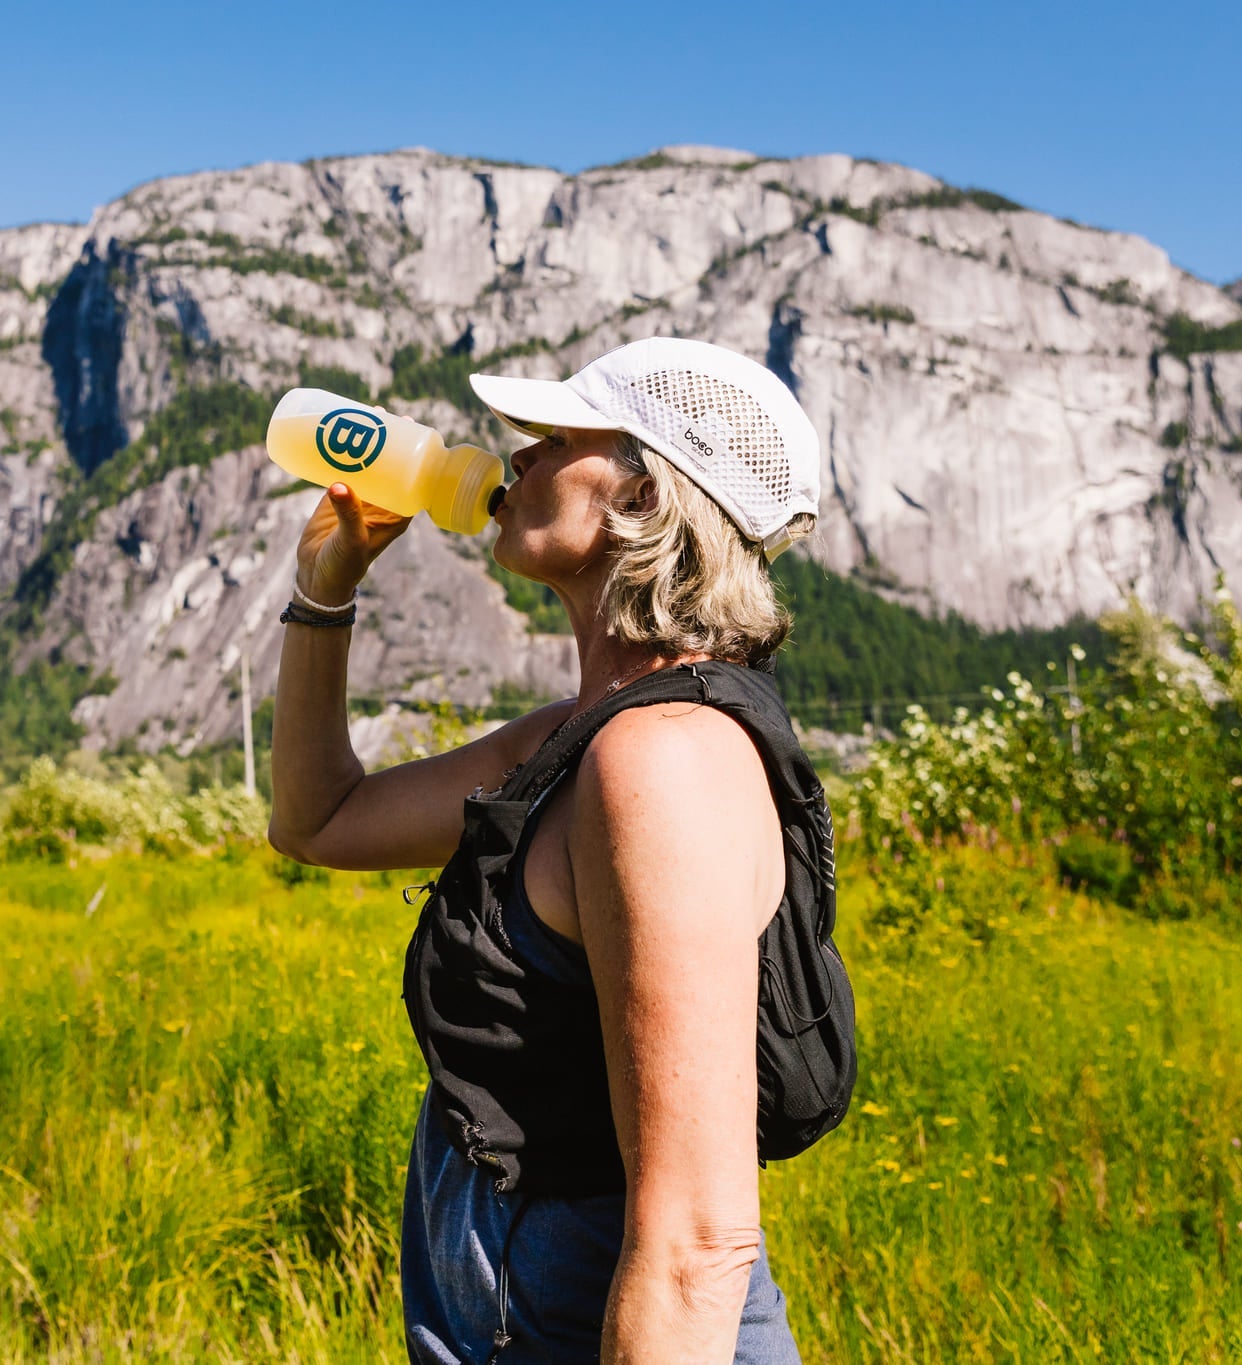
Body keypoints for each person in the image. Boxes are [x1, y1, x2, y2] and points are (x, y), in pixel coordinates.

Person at [267, 337, 824, 1364]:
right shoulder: (578, 737)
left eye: (555, 438)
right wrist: (323, 591)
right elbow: (319, 820)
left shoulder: (663, 766)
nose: (514, 458)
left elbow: (698, 1243)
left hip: (599, 1317)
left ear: (649, 497)